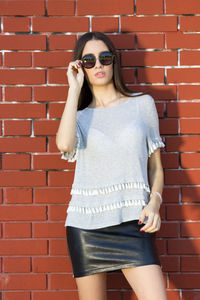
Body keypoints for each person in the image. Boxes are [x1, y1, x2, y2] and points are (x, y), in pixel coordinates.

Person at [56, 31, 167, 300]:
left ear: (114, 62)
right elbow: (63, 144)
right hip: (86, 227)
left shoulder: (142, 105)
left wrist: (154, 203)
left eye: (104, 58)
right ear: (80, 67)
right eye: (88, 61)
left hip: (133, 223)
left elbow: (156, 167)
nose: (98, 65)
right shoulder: (79, 116)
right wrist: (74, 89)